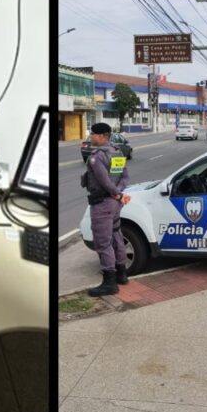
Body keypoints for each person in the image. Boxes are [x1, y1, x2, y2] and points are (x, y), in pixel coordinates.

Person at [82, 122, 131, 296]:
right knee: (116, 235)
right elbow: (124, 178)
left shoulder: (97, 156)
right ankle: (122, 274)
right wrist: (119, 195)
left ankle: (109, 282)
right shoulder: (116, 151)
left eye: (93, 134)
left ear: (102, 136)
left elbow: (104, 181)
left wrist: (115, 194)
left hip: (103, 203)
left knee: (103, 242)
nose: (91, 137)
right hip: (115, 204)